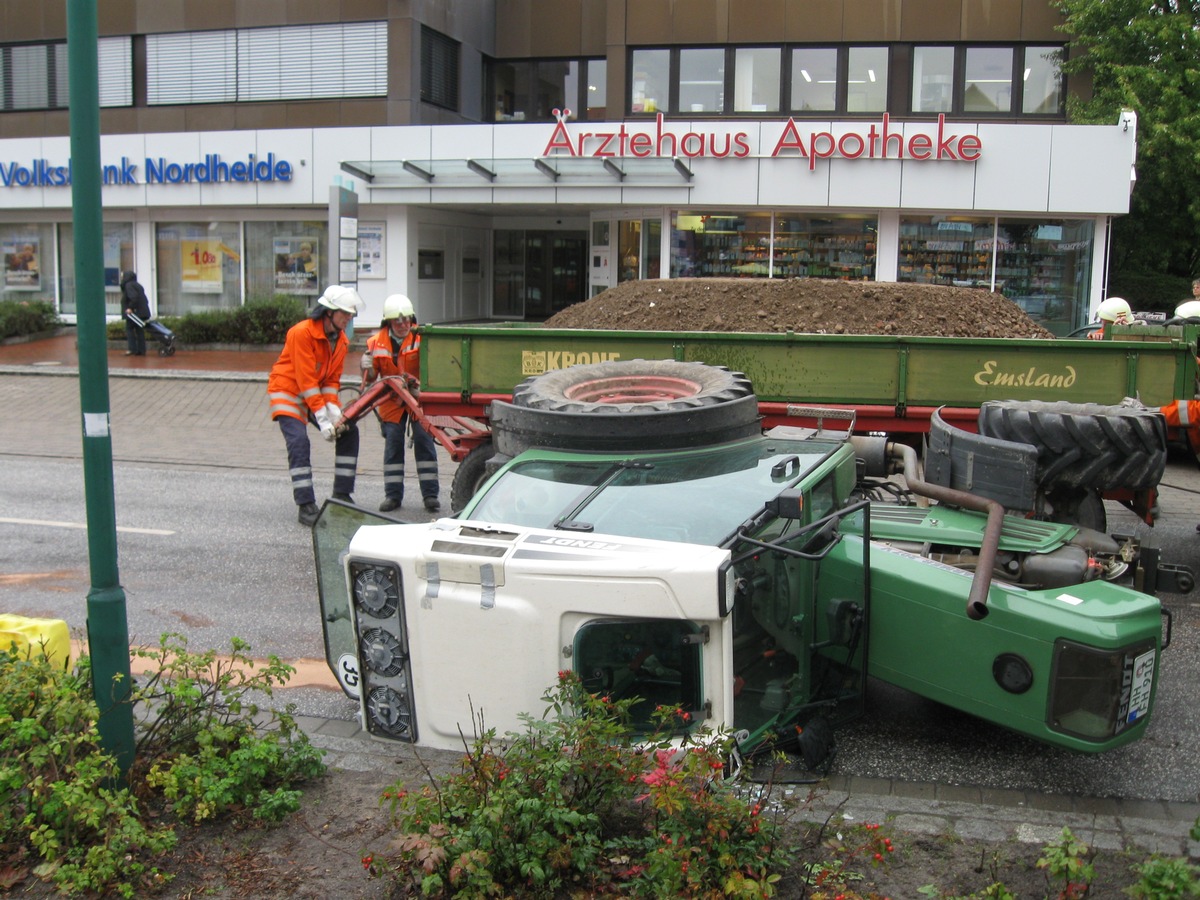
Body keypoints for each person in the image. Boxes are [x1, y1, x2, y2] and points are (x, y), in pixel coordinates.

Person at [268, 285, 363, 526]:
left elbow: (331, 380)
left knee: (349, 430)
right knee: (299, 441)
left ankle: (342, 494)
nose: (348, 318)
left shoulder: (341, 340)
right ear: (328, 312)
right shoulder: (302, 333)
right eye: (344, 313)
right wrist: (322, 419)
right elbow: (305, 380)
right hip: (288, 392)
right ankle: (305, 505)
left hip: (315, 395)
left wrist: (333, 411)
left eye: (351, 314)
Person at [361, 293, 441, 513]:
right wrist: (366, 367)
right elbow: (369, 379)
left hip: (417, 397)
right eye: (398, 321)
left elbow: (433, 369)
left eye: (407, 319)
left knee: (424, 441)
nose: (403, 324)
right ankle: (393, 495)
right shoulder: (375, 343)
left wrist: (421, 386)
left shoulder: (420, 338)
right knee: (393, 445)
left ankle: (431, 495)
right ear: (388, 322)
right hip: (391, 401)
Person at [120, 270, 152, 357]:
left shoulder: (129, 285)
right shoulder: (137, 285)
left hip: (134, 313)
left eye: (123, 276)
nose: (122, 278)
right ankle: (141, 350)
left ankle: (132, 349)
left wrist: (130, 308)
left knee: (129, 329)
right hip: (142, 311)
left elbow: (133, 297)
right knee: (139, 331)